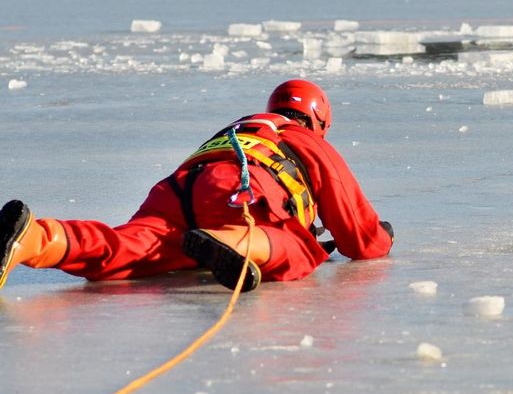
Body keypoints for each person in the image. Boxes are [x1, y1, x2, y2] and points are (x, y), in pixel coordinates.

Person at [0, 79, 394, 292]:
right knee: (297, 248)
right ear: (320, 121)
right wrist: (381, 239)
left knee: (133, 249)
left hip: (178, 190)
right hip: (240, 190)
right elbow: (356, 232)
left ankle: (34, 238)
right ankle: (231, 241)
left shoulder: (240, 127)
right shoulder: (300, 136)